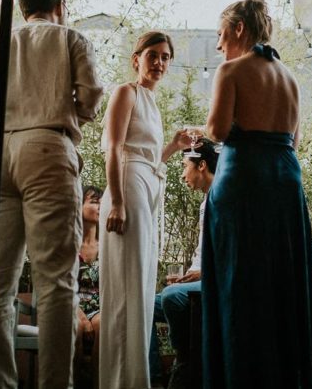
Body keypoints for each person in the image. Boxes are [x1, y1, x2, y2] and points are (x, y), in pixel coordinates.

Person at [0, 0, 104, 389]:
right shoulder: (70, 37)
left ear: (24, 9)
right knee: (55, 280)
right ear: (61, 3)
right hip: (46, 146)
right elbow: (91, 99)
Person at [203, 0, 312, 389]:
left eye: (222, 36)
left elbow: (218, 131)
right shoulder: (289, 77)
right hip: (284, 180)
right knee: (283, 283)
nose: (220, 46)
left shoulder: (231, 71)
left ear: (239, 29)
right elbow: (293, 138)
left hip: (245, 181)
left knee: (241, 282)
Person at [98, 31, 190, 389]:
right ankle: (119, 382)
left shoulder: (151, 102)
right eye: (153, 54)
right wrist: (117, 201)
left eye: (166, 57)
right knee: (125, 289)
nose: (159, 62)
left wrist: (173, 146)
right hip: (129, 189)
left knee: (139, 288)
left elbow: (149, 158)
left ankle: (135, 379)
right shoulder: (126, 93)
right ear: (136, 58)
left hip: (147, 186)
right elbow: (114, 148)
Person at [150, 138, 219, 389]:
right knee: (144, 306)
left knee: (171, 297)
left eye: (184, 166)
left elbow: (228, 254)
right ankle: (155, 378)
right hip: (197, 282)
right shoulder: (205, 203)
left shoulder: (223, 198)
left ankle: (185, 363)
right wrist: (189, 275)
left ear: (201, 165)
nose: (182, 175)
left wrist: (202, 274)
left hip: (214, 283)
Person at [74, 185, 102, 387]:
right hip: (72, 306)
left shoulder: (109, 245)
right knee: (74, 327)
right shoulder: (70, 242)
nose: (100, 206)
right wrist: (82, 317)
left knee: (104, 326)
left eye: (102, 202)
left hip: (100, 308)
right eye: (94, 201)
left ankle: (97, 383)